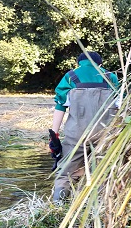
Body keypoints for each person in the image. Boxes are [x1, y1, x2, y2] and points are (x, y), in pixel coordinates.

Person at [49, 51, 119, 203]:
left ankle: (57, 206)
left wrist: (54, 134)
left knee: (65, 173)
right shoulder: (110, 77)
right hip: (106, 134)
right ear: (100, 63)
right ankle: (102, 205)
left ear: (79, 63)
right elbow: (120, 105)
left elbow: (60, 105)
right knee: (103, 171)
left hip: (77, 135)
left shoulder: (70, 77)